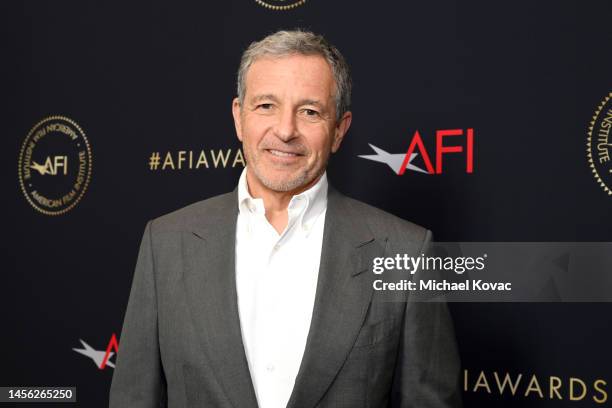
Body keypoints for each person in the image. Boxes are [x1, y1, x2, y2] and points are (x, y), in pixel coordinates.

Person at [109, 29, 461, 408]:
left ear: (339, 130)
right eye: (266, 106)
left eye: (309, 111)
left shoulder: (405, 251)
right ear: (238, 118)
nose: (285, 130)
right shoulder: (166, 243)